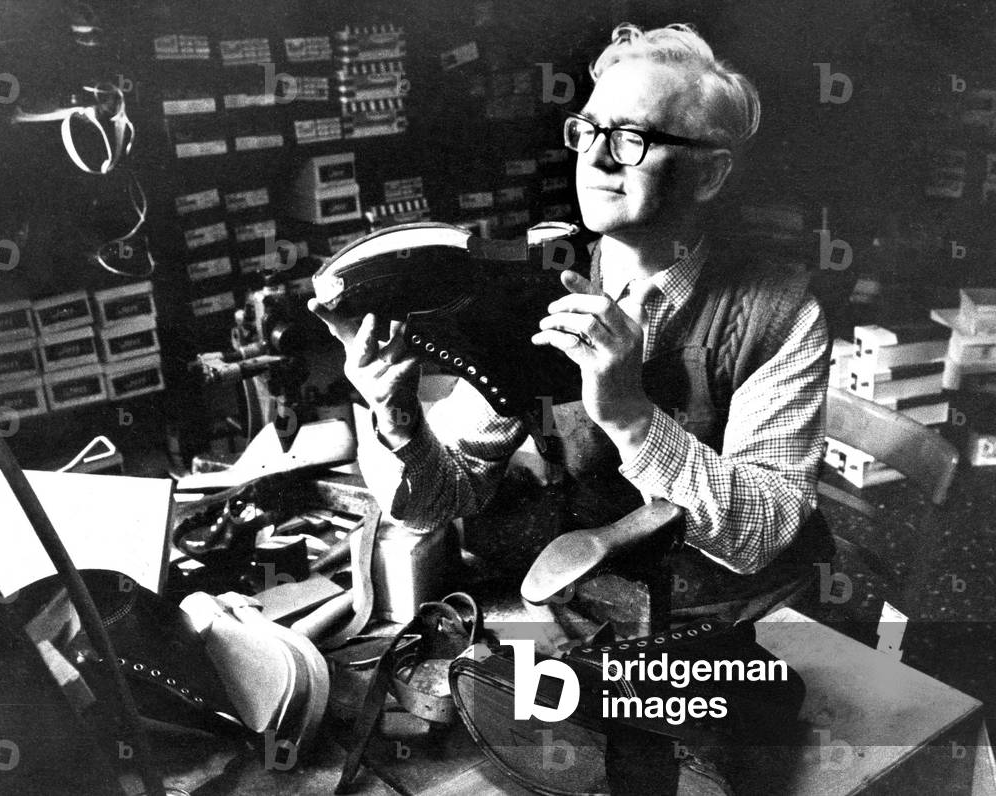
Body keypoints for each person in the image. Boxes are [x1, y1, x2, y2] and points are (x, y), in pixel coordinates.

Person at [312, 22, 833, 623]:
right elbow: (444, 497)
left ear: (710, 175)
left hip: (755, 619)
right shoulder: (542, 285)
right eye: (587, 131)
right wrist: (396, 415)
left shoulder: (781, 314)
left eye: (632, 137)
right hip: (603, 606)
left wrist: (632, 416)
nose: (596, 156)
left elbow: (764, 535)